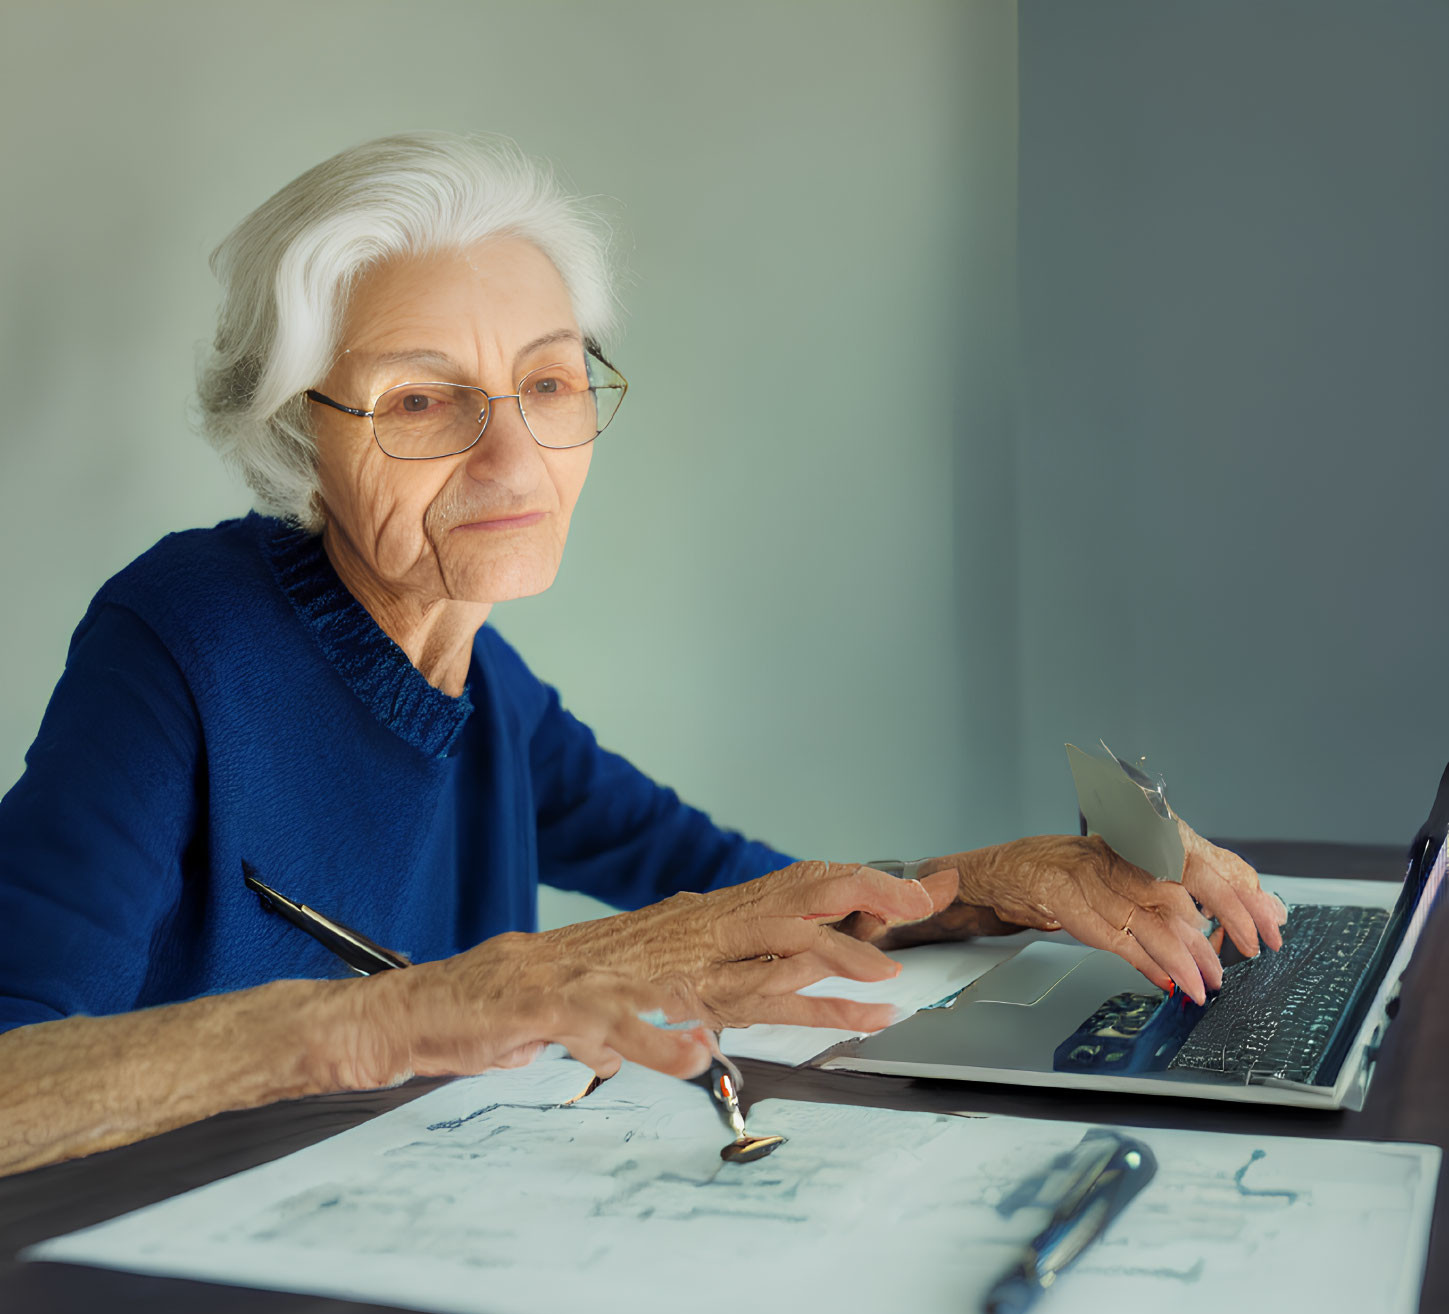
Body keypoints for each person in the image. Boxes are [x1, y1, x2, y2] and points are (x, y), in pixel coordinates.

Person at [0, 134, 1284, 1179]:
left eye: (550, 384)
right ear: (298, 434)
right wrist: (392, 1017)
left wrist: (1009, 879)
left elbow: (743, 898)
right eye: (419, 398)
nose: (513, 462)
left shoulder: (485, 690)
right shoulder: (179, 638)